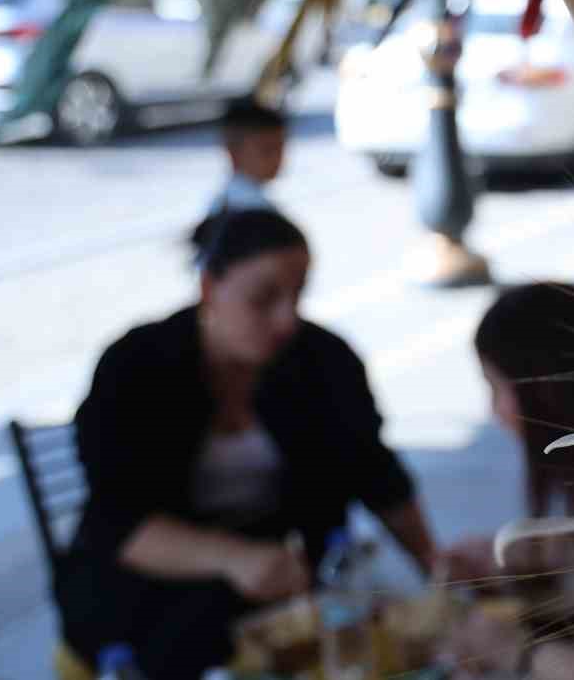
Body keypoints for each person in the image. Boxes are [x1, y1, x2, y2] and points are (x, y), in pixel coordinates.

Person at [58, 209, 441, 680]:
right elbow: (117, 522)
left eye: (298, 296)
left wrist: (435, 568)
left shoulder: (323, 360)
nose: (287, 320)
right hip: (148, 588)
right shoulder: (137, 366)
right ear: (208, 288)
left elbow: (377, 474)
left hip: (291, 580)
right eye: (263, 300)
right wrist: (231, 557)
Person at [438, 283, 574, 678]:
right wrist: (534, 556)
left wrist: (515, 652)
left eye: (495, 388)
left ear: (543, 388)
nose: (494, 412)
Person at [209, 98, 286, 214]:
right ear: (234, 151)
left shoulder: (220, 207)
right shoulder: (255, 214)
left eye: (280, 148)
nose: (276, 157)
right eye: (267, 150)